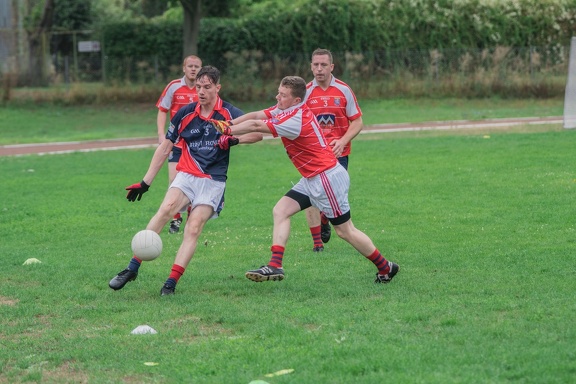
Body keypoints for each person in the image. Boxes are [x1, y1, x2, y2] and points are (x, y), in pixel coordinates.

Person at [211, 76, 399, 284]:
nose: (278, 97)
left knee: (345, 231)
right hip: (313, 178)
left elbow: (256, 125)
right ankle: (275, 265)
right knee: (281, 210)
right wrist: (228, 123)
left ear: (296, 100)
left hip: (326, 178)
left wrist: (227, 130)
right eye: (279, 93)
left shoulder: (294, 119)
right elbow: (256, 114)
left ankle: (385, 267)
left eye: (283, 95)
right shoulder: (285, 109)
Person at [109, 65, 263, 296]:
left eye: (207, 87)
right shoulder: (185, 114)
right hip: (188, 175)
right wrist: (145, 182)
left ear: (217, 88)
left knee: (192, 228)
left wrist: (234, 140)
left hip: (213, 181)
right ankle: (132, 268)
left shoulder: (230, 113)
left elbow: (257, 132)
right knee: (166, 209)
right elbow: (165, 148)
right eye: (198, 87)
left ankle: (170, 283)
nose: (201, 91)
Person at [304, 48, 364, 252]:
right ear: (311, 66)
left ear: (332, 67)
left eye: (323, 65)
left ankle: (324, 218)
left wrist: (343, 140)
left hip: (339, 153)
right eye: (315, 65)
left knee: (333, 198)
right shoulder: (305, 92)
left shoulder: (343, 90)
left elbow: (357, 121)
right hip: (313, 154)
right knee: (311, 194)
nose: (319, 69)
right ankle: (317, 244)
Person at [156, 55, 202, 234]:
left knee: (195, 182)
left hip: (197, 144)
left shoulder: (204, 89)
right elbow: (162, 110)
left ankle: (191, 216)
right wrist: (161, 135)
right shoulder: (174, 86)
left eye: (196, 66)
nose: (193, 69)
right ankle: (176, 219)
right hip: (176, 143)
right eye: (190, 66)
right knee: (174, 181)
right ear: (184, 68)